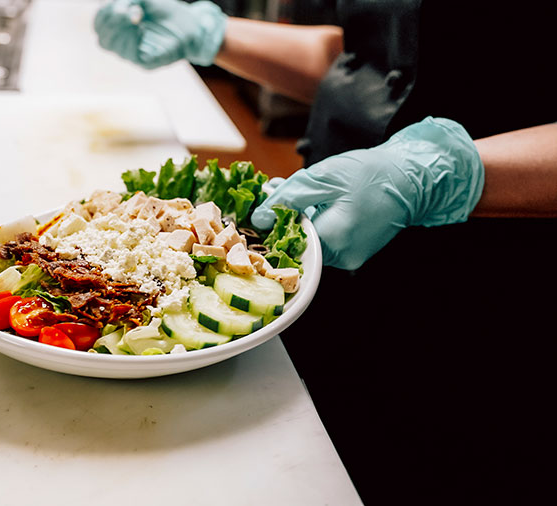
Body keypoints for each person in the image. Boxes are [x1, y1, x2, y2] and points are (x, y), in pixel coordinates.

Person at [94, 1, 557, 504]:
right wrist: (215, 35)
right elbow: (374, 64)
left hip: (494, 294)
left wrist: (442, 172)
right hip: (337, 248)